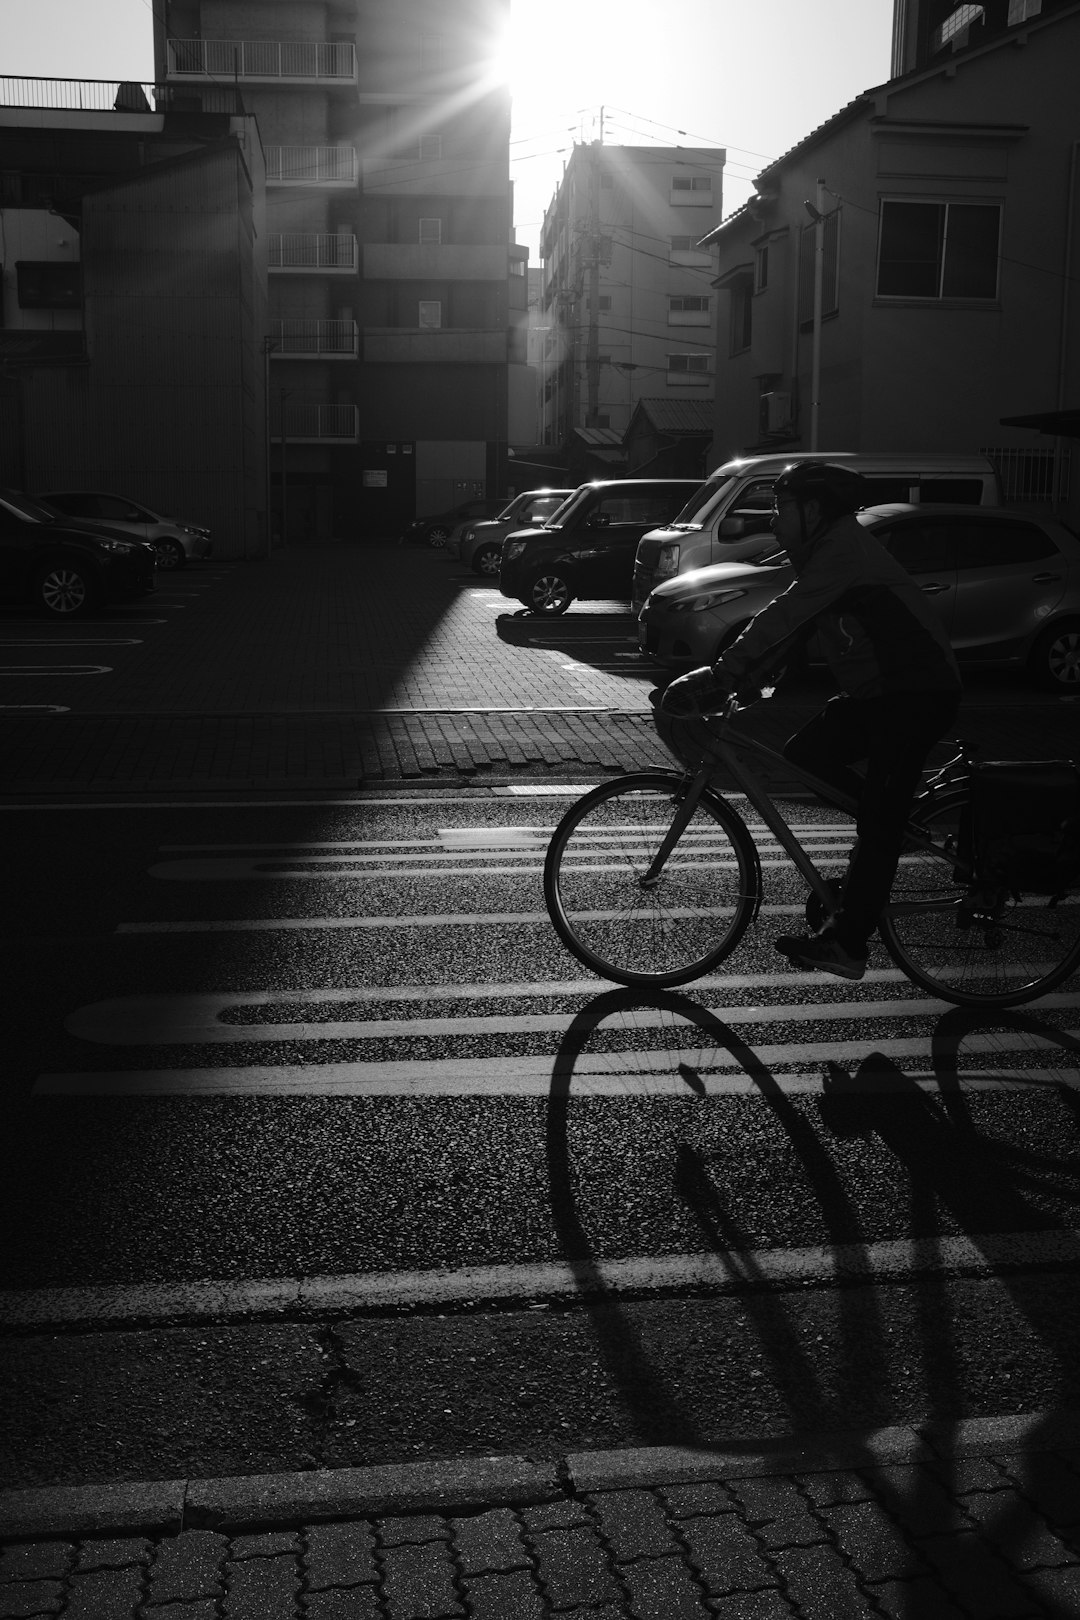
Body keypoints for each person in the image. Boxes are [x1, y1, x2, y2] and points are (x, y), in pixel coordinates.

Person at [661, 460, 962, 980]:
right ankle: (894, 820)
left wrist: (720, 673)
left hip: (915, 696)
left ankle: (849, 944)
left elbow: (783, 613)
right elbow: (794, 634)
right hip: (879, 695)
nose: (775, 520)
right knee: (806, 756)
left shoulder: (843, 549)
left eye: (782, 508)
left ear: (814, 511)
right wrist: (743, 682)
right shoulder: (825, 552)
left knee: (876, 824)